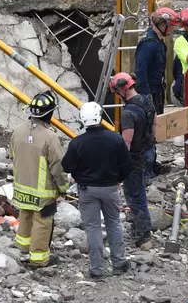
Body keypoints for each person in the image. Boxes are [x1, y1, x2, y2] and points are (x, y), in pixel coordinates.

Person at [61, 102, 132, 279]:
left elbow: (66, 166)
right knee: (114, 223)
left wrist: (79, 174)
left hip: (87, 190)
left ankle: (97, 269)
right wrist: (118, 179)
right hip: (110, 188)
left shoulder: (77, 143)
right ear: (100, 116)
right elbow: (127, 165)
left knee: (92, 228)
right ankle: (119, 262)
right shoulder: (115, 138)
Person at [10, 90, 69, 267]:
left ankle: (23, 249)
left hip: (21, 188)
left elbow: (13, 155)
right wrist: (64, 188)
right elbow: (58, 166)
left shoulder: (18, 131)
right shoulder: (50, 137)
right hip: (43, 192)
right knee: (43, 223)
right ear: (50, 114)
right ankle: (39, 258)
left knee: (25, 216)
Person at [109, 72, 155, 250]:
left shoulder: (128, 113)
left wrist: (121, 163)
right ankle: (140, 228)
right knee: (140, 191)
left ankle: (143, 235)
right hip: (148, 151)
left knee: (135, 195)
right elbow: (155, 123)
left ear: (121, 88)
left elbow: (126, 141)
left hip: (134, 157)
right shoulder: (146, 100)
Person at [134, 7, 180, 115]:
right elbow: (140, 70)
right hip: (150, 93)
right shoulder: (148, 44)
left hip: (157, 92)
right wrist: (146, 96)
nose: (172, 30)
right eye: (171, 27)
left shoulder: (159, 43)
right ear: (162, 26)